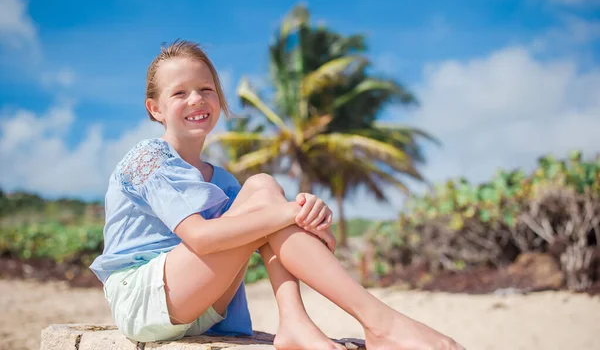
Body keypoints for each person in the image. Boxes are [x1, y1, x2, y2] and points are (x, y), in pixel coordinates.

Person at [90, 39, 465, 350]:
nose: (196, 100)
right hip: (144, 301)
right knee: (265, 195)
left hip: (202, 307)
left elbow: (275, 239)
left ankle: (295, 322)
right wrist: (290, 212)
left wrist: (305, 218)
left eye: (206, 90)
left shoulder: (223, 181)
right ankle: (382, 324)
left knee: (262, 186)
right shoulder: (147, 158)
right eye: (179, 93)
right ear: (155, 109)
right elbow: (202, 239)